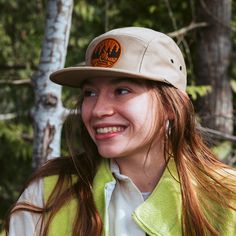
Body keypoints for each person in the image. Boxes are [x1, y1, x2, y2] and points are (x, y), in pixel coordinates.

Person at [6, 27, 236, 236]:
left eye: (122, 90)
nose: (98, 110)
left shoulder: (227, 198)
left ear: (171, 106)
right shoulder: (50, 193)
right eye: (90, 93)